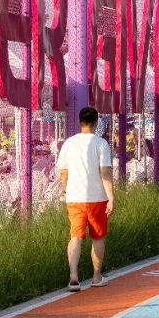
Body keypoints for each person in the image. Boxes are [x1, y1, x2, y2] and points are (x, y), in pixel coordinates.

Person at [57, 106, 114, 291]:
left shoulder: (69, 143)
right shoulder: (101, 144)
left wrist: (66, 191)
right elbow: (105, 173)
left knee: (75, 237)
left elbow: (63, 171)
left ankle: (73, 277)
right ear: (96, 122)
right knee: (98, 238)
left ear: (80, 121)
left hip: (74, 198)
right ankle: (96, 277)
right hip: (97, 198)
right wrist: (111, 197)